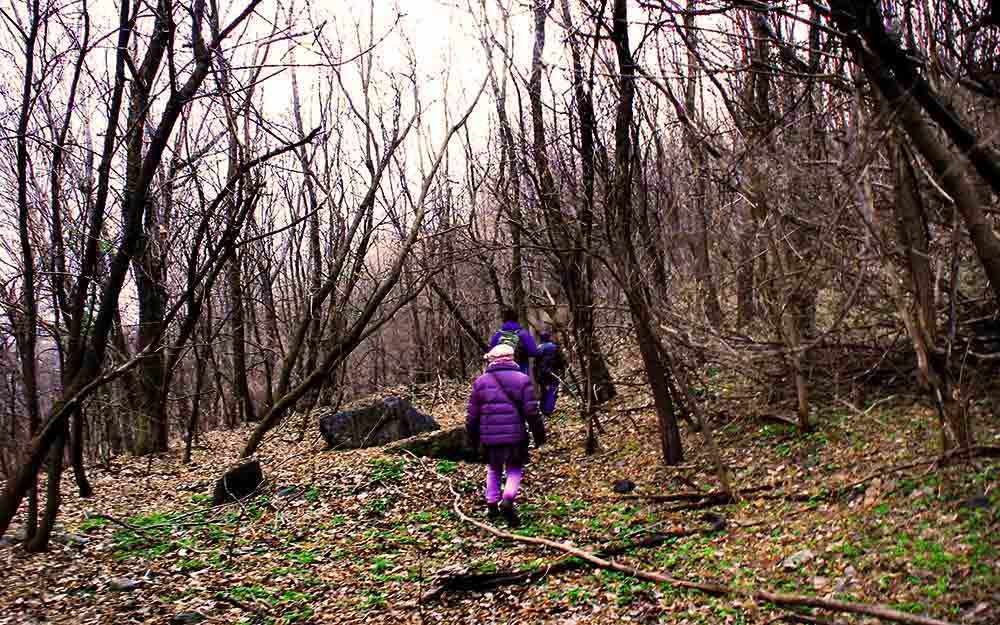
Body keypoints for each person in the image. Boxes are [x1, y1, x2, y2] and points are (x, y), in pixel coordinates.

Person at [466, 343, 545, 527]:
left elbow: (472, 415)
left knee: (493, 468)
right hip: (515, 435)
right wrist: (539, 435)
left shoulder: (480, 382)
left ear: (492, 361)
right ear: (512, 359)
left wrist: (471, 437)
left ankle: (492, 504)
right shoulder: (522, 379)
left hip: (489, 437)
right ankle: (508, 499)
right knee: (514, 468)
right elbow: (532, 412)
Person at [489, 308, 539, 376]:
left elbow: (491, 353)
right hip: (520, 370)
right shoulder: (523, 333)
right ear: (516, 319)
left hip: (501, 373)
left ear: (504, 320)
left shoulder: (498, 335)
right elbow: (534, 352)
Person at [535, 331, 566, 418]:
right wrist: (562, 371)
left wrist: (537, 376)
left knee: (544, 390)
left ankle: (542, 408)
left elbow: (535, 364)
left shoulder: (538, 349)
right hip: (553, 372)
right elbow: (560, 360)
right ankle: (548, 411)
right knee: (553, 390)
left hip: (542, 374)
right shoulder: (554, 347)